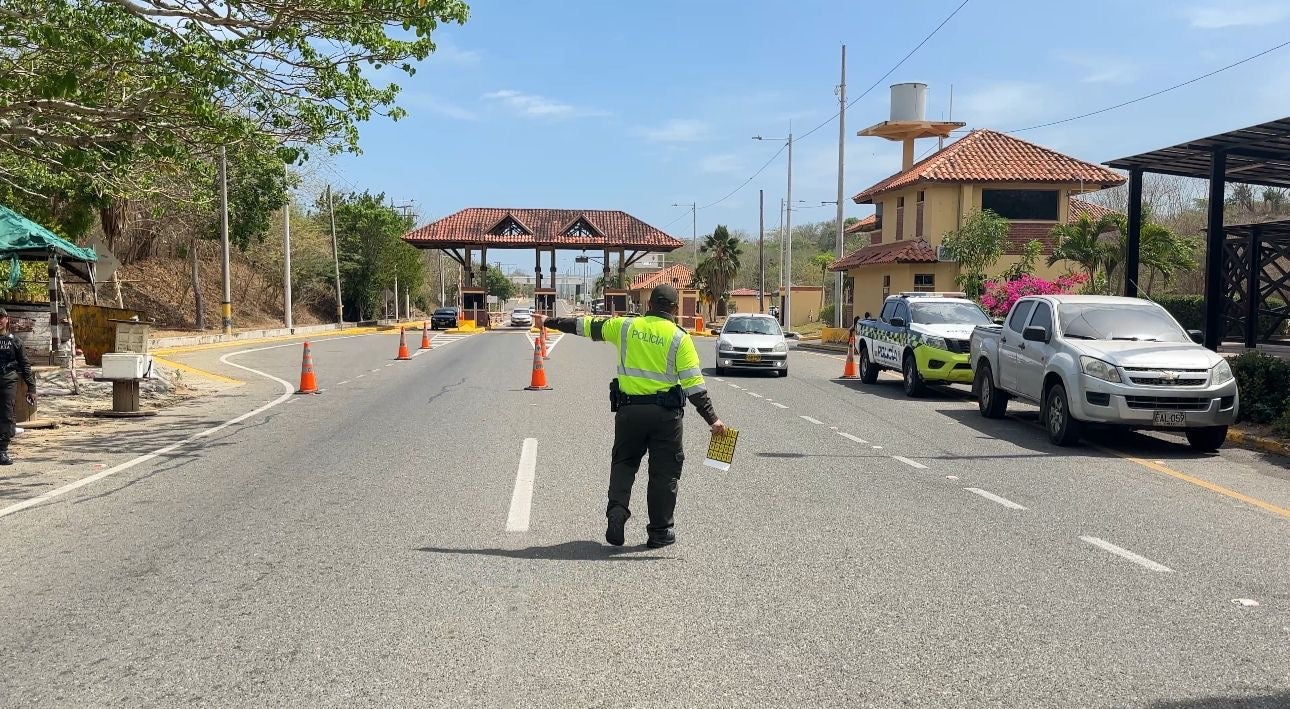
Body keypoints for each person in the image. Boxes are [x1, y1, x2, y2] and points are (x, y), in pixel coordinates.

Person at [539, 284, 726, 548]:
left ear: (649, 305)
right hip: (666, 418)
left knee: (624, 464)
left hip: (629, 412)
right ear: (674, 309)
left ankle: (617, 511)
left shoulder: (626, 327)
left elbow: (586, 326)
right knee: (664, 474)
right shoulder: (679, 338)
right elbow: (694, 386)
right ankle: (660, 532)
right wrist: (712, 419)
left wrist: (551, 321)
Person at [0, 309, 35, 465]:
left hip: (8, 382)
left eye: (1, 317)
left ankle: (2, 450)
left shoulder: (15, 341)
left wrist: (31, 388)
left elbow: (25, 365)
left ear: (7, 319)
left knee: (6, 414)